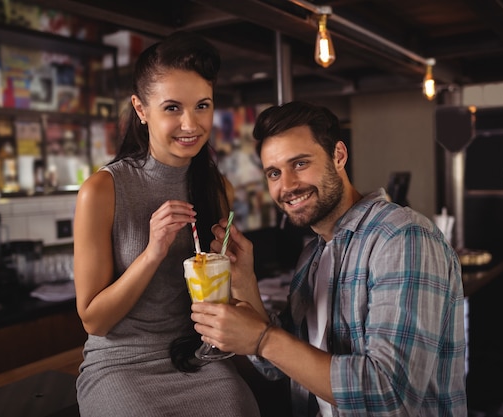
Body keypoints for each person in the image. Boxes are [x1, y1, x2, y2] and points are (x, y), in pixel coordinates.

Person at [191, 101, 467, 416]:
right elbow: (280, 364)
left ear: (338, 155)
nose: (287, 186)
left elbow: (389, 395)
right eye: (274, 172)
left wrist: (263, 339)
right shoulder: (313, 254)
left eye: (299, 163)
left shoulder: (402, 237)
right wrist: (245, 283)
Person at [73, 32, 261, 417]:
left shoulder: (217, 188)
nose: (190, 124)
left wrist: (242, 274)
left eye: (202, 106)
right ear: (141, 110)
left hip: (196, 356)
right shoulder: (102, 190)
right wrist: (153, 251)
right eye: (172, 108)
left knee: (240, 406)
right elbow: (94, 319)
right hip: (121, 364)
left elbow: (215, 300)